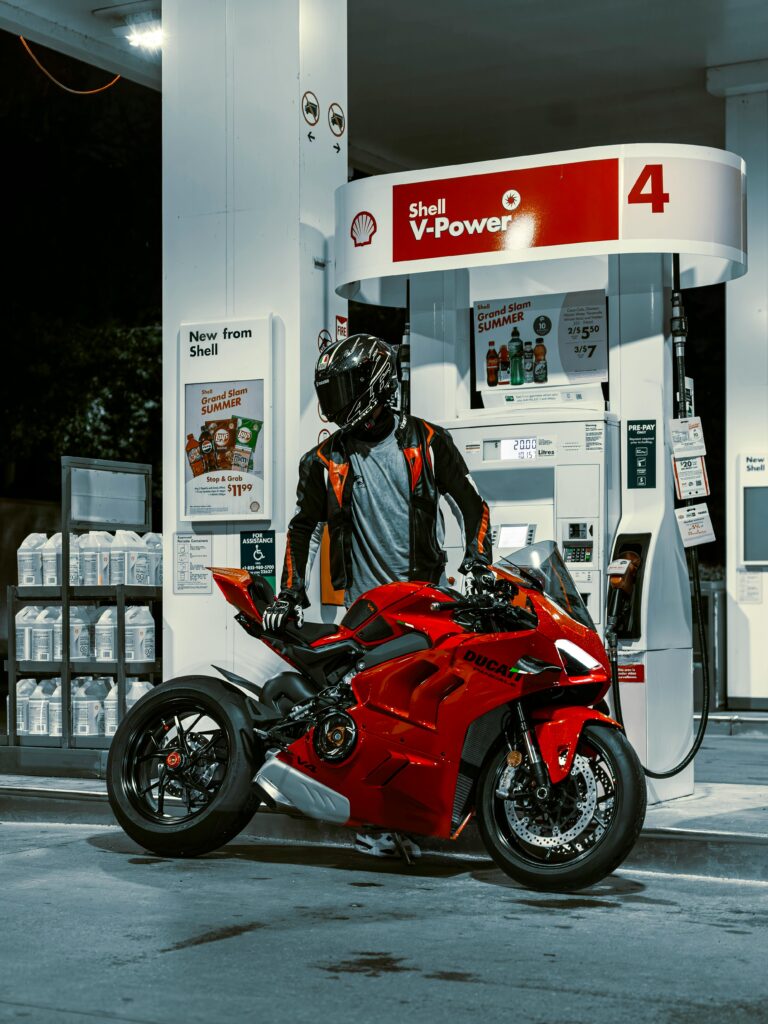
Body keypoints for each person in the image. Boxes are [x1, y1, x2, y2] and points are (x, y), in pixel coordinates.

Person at [263, 333, 493, 859]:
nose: (335, 401)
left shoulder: (429, 442)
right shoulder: (323, 460)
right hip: (365, 611)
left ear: (376, 383)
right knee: (375, 720)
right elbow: (303, 530)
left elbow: (474, 506)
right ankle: (373, 822)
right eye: (330, 390)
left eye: (343, 387)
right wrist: (289, 593)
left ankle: (418, 816)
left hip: (428, 604)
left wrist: (477, 563)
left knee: (428, 716)